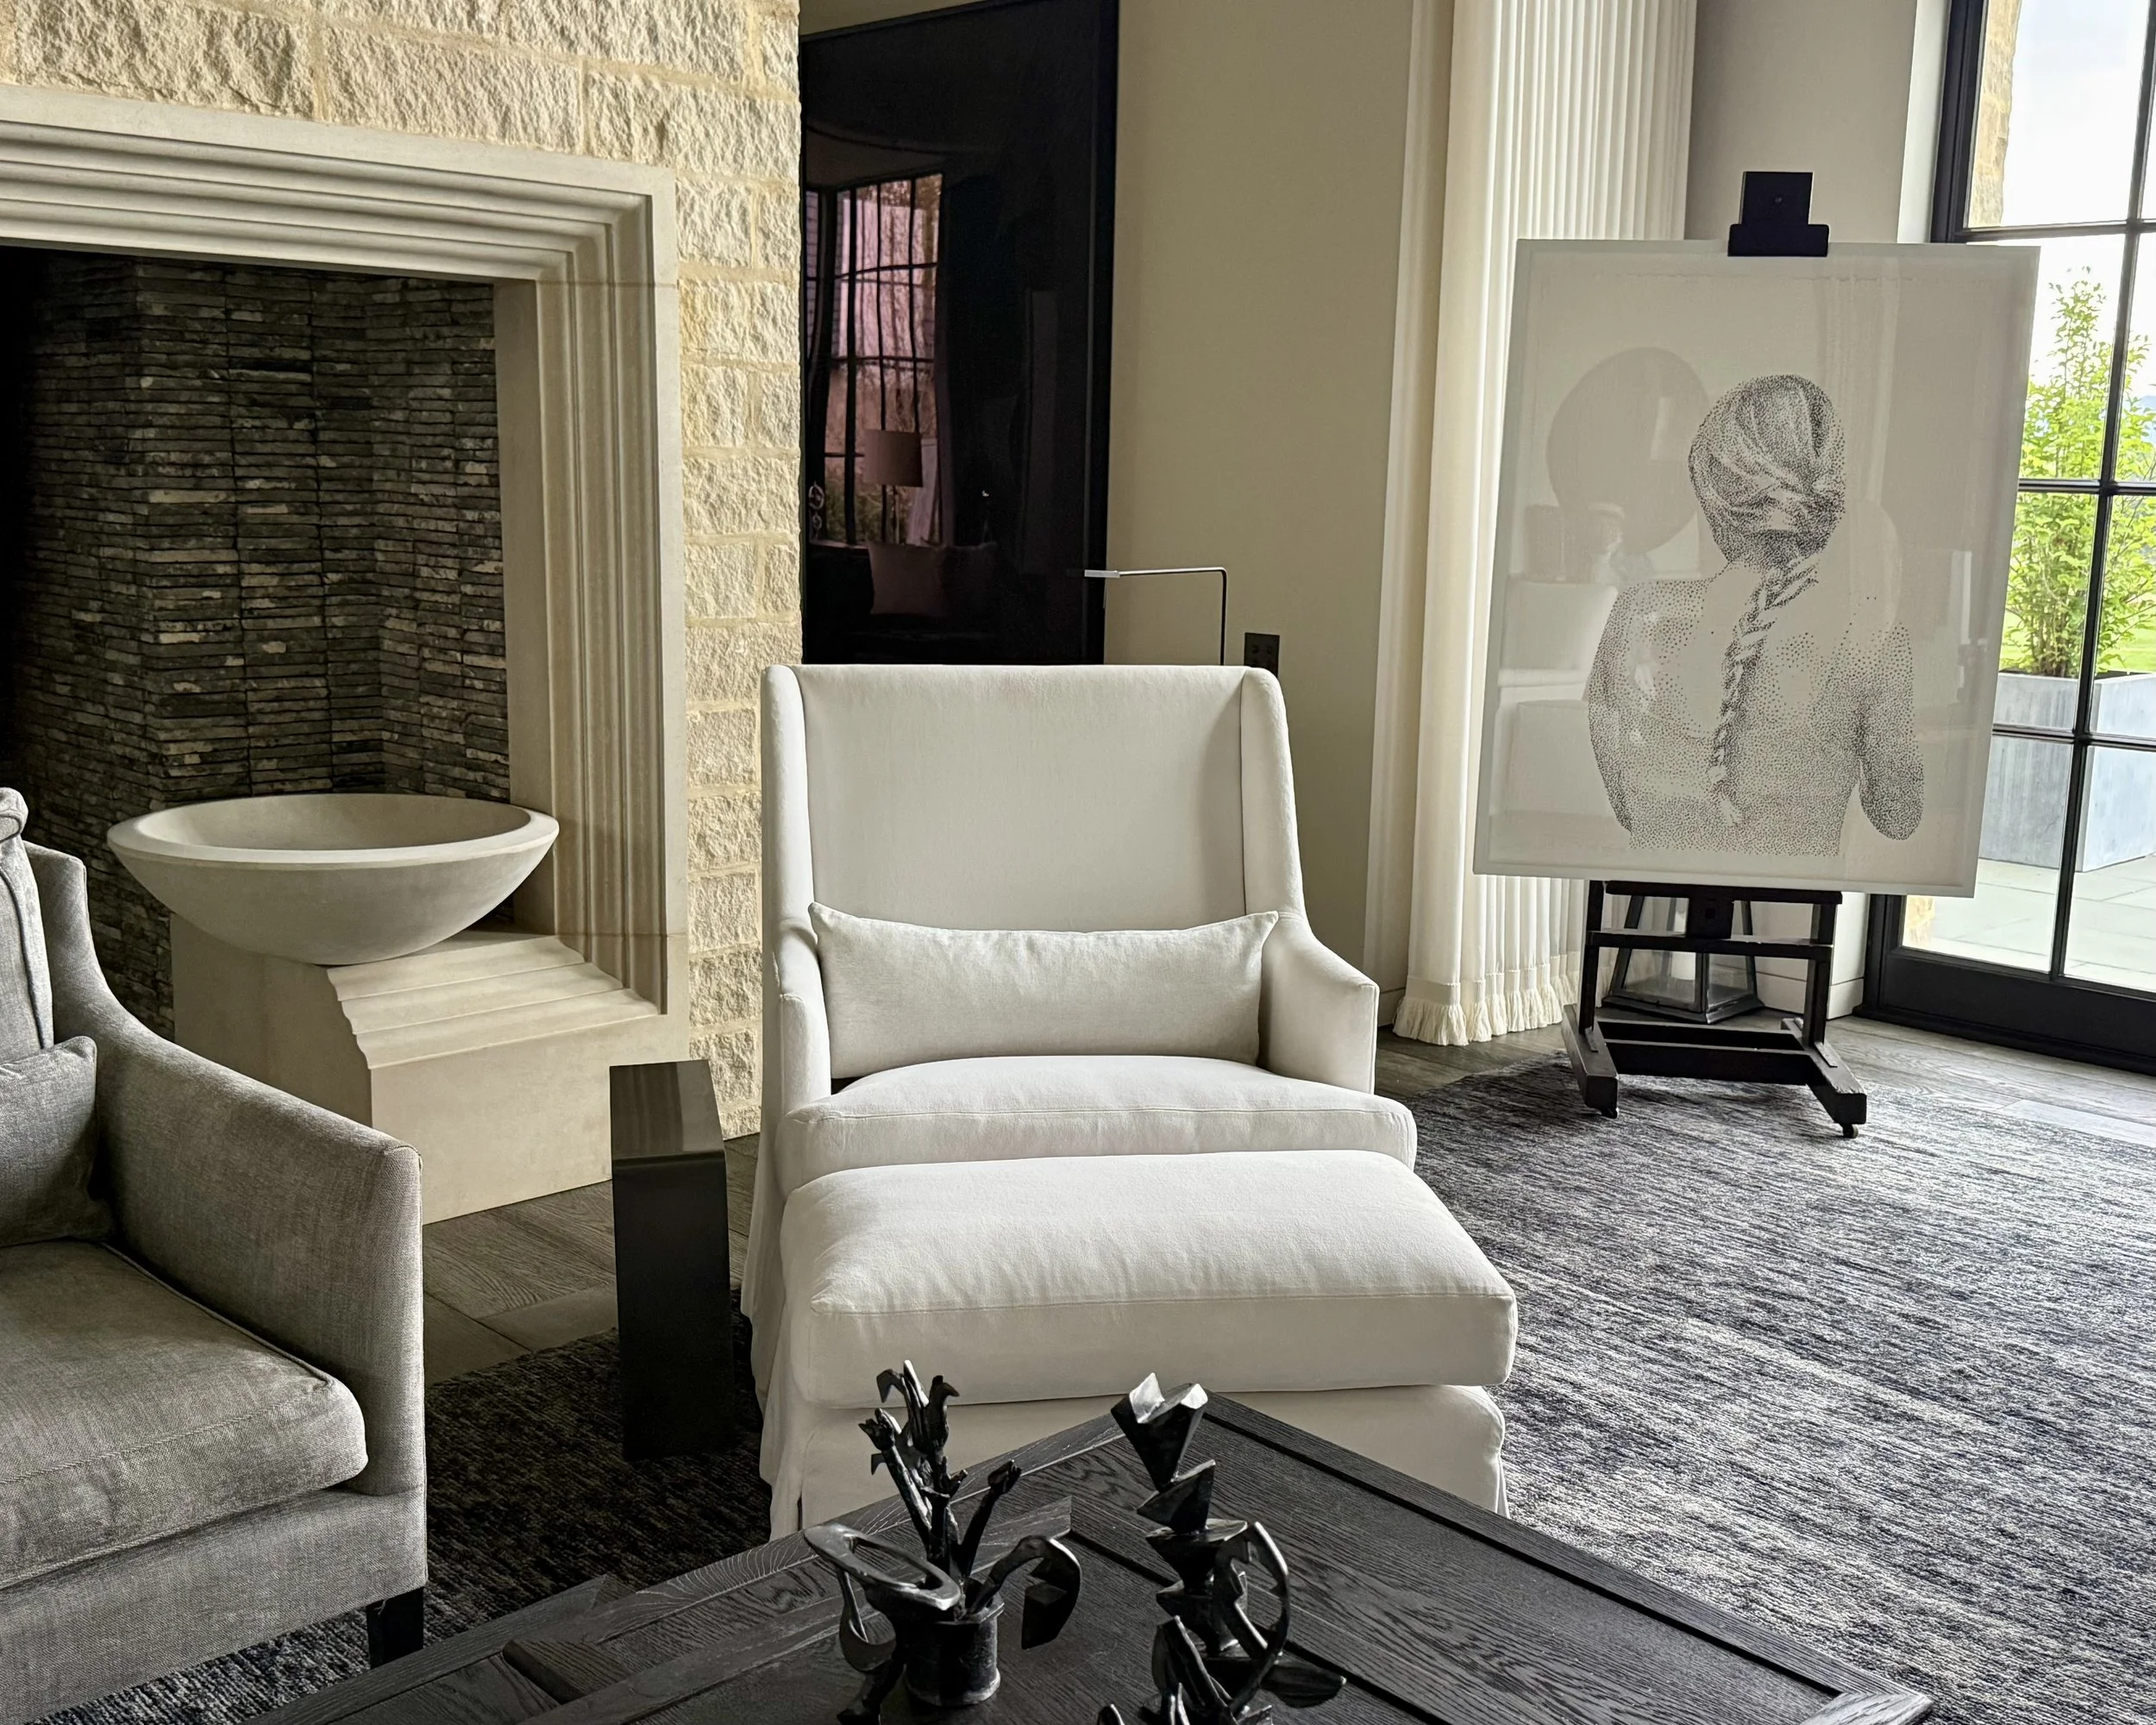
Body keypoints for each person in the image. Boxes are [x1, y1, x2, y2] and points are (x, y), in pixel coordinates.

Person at [1585, 372, 1923, 856]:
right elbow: (1899, 817)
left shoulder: (1638, 613)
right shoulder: (1875, 642)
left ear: (1712, 495)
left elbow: (1628, 804)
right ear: (1828, 496)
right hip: (1800, 890)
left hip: (1657, 868)